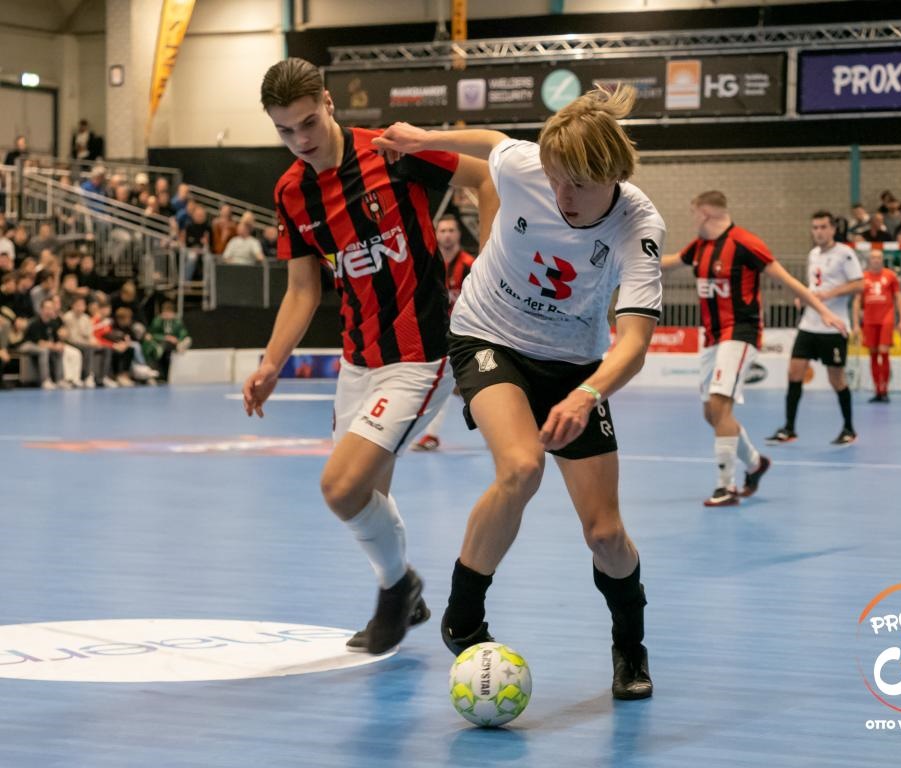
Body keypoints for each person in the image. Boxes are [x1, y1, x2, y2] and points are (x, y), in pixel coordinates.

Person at [373, 85, 664, 700]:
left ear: (612, 175)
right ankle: (463, 614)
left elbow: (635, 343)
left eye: (576, 186)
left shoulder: (638, 225)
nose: (561, 197)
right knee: (522, 466)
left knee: (605, 535)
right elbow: (493, 143)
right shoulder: (528, 166)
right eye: (554, 180)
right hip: (486, 334)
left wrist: (586, 394)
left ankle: (630, 645)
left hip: (574, 367)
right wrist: (423, 139)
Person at [242, 57, 496, 656]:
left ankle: (397, 588)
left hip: (421, 354)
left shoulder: (392, 151)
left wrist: (486, 268)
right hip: (357, 361)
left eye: (308, 122)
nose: (300, 140)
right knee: (366, 497)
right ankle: (403, 591)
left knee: (340, 487)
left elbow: (488, 179)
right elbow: (303, 290)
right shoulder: (291, 192)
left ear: (329, 103)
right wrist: (271, 363)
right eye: (284, 130)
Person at [662, 192, 847, 506]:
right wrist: (626, 256)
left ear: (705, 213)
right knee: (711, 413)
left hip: (740, 333)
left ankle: (725, 487)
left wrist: (824, 311)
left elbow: (787, 280)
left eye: (693, 213)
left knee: (720, 405)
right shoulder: (700, 246)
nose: (692, 219)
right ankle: (756, 463)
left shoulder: (745, 243)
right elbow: (669, 263)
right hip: (712, 337)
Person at [767, 211, 863, 445]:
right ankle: (789, 428)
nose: (818, 232)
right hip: (809, 324)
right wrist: (805, 297)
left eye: (823, 227)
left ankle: (849, 429)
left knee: (836, 380)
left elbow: (859, 284)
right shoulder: (813, 254)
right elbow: (813, 285)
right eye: (815, 228)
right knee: (794, 373)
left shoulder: (845, 253)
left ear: (832, 229)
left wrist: (827, 295)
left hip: (833, 326)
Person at [411, 214, 476, 451]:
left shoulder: (470, 265)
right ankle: (431, 435)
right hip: (438, 334)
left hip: (466, 335)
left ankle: (431, 436)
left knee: (453, 386)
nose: (447, 235)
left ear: (458, 235)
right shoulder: (429, 265)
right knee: (450, 385)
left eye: (451, 230)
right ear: (436, 234)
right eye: (443, 231)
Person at [852, 249, 901, 403]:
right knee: (873, 353)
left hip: (886, 318)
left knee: (884, 351)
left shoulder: (890, 276)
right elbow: (857, 301)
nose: (876, 260)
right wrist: (855, 324)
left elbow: (898, 297)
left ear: (882, 260)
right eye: (873, 258)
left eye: (879, 258)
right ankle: (877, 390)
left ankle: (885, 390)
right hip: (869, 320)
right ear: (869, 260)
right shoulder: (863, 278)